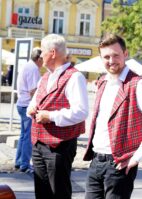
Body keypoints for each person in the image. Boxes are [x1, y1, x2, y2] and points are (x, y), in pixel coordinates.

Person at [83, 34, 142, 199]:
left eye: (116, 55)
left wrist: (137, 157)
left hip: (119, 164)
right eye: (106, 57)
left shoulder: (137, 84)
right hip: (96, 160)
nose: (111, 60)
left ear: (125, 54)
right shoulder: (103, 82)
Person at [27, 34, 89, 199]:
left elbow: (81, 111)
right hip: (38, 143)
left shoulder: (74, 77)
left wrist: (51, 116)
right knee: (42, 192)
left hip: (60, 145)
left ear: (52, 53)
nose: (40, 56)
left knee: (59, 193)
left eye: (42, 52)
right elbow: (32, 103)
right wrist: (31, 108)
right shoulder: (45, 77)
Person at [15, 47, 43, 173]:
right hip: (27, 104)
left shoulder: (28, 66)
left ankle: (19, 161)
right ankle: (25, 164)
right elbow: (33, 91)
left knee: (23, 135)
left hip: (21, 103)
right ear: (39, 58)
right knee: (28, 136)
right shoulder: (33, 69)